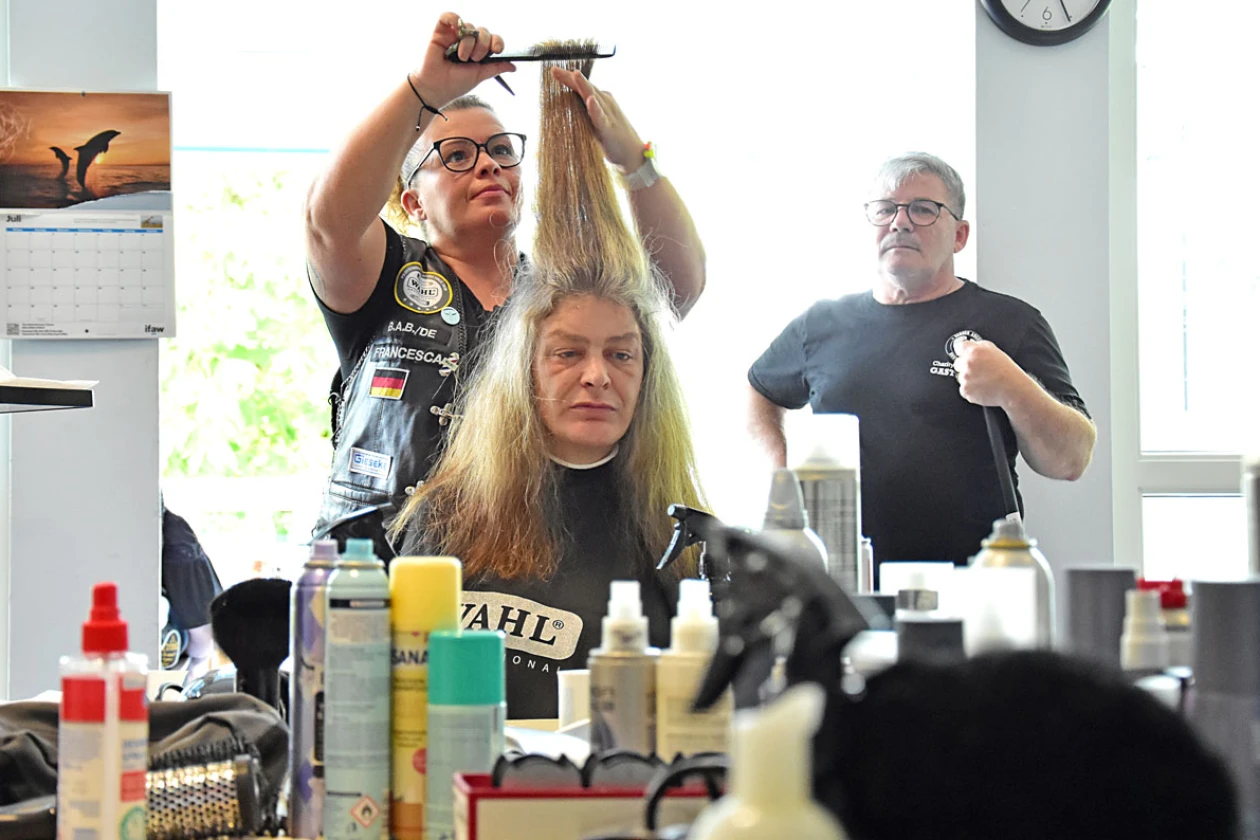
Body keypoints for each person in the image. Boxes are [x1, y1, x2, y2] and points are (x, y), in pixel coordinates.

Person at [304, 14, 705, 544]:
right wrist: (423, 91)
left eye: (501, 151)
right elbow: (328, 223)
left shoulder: (557, 294)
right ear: (411, 200)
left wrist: (634, 161)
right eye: (456, 156)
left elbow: (676, 287)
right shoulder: (383, 274)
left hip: (512, 578)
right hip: (368, 575)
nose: (488, 166)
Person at [389, 52, 706, 720]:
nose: (597, 375)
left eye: (621, 355)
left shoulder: (678, 540)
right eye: (567, 353)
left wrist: (635, 160)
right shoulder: (441, 520)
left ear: (648, 377)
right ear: (522, 372)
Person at [747, 152, 1095, 572]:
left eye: (923, 209)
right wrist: (781, 475)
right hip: (843, 582)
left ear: (960, 235)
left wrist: (1011, 386)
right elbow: (758, 391)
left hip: (972, 583)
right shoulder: (822, 324)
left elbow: (1071, 459)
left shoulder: (1010, 323)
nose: (900, 222)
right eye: (885, 210)